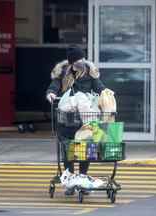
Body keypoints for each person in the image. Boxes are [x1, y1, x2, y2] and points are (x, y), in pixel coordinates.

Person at [46, 45, 106, 194]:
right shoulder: (64, 72)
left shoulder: (90, 71)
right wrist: (51, 93)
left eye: (82, 58)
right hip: (68, 118)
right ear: (71, 62)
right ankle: (71, 182)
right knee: (68, 150)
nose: (81, 61)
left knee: (86, 149)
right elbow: (55, 85)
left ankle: (84, 179)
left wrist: (105, 94)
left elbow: (99, 87)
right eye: (78, 59)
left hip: (85, 117)